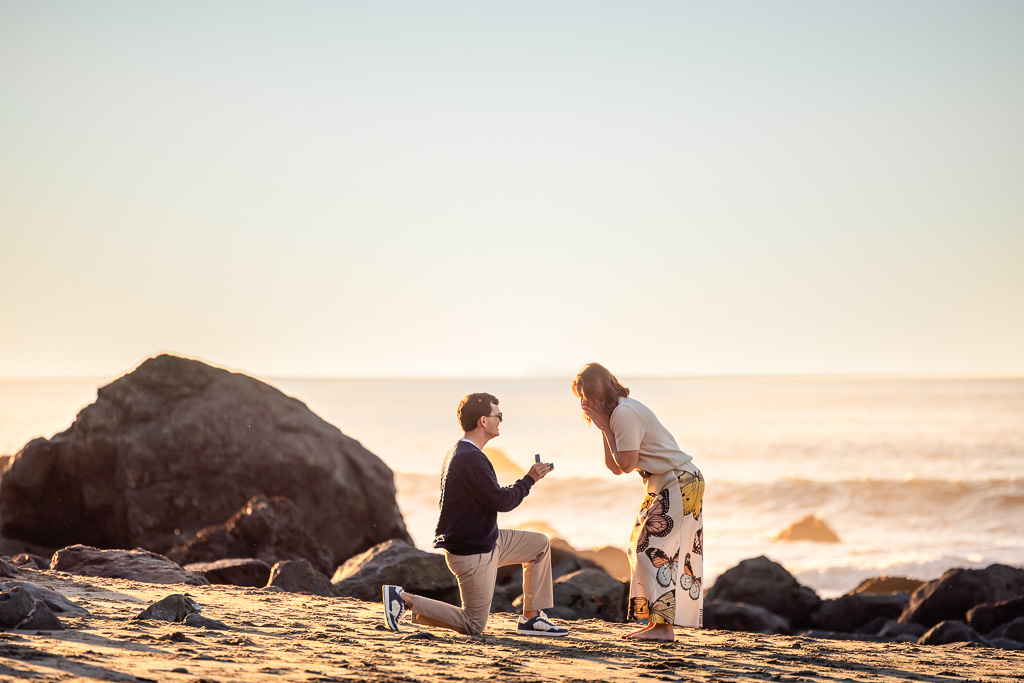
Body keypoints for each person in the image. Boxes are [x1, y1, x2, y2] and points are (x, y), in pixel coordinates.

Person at [382, 392, 569, 637]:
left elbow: (490, 495)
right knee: (473, 625)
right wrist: (530, 479)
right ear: (483, 421)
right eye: (498, 415)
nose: (501, 420)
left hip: (488, 540)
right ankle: (403, 599)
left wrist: (527, 479)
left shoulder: (462, 452)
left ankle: (531, 619)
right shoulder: (469, 458)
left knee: (540, 545)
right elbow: (502, 501)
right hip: (473, 553)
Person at [572, 363, 704, 642]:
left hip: (678, 481)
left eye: (586, 395)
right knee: (638, 546)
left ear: (599, 392)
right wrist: (603, 428)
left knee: (651, 549)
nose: (584, 403)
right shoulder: (617, 414)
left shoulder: (623, 413)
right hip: (665, 482)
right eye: (580, 397)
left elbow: (628, 464)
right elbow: (615, 468)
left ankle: (664, 629)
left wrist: (606, 427)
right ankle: (655, 623)